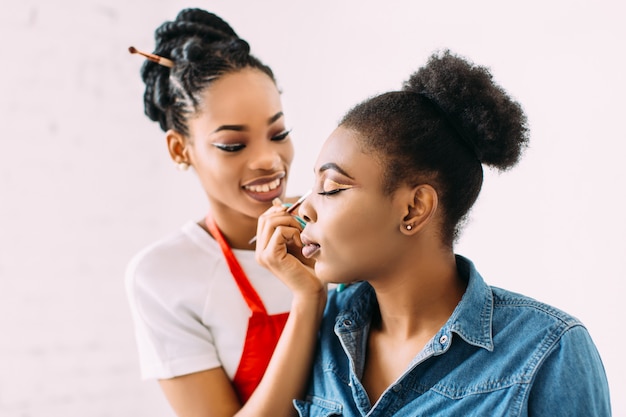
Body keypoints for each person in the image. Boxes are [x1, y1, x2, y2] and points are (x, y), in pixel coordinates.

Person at [255, 50, 611, 416]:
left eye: (330, 188)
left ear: (414, 208)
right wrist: (307, 300)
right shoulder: (324, 326)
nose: (304, 208)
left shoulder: (548, 352)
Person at [125, 8, 323, 417]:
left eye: (279, 133)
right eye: (234, 144)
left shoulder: (333, 226)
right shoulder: (163, 276)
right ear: (181, 149)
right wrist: (309, 297)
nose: (269, 160)